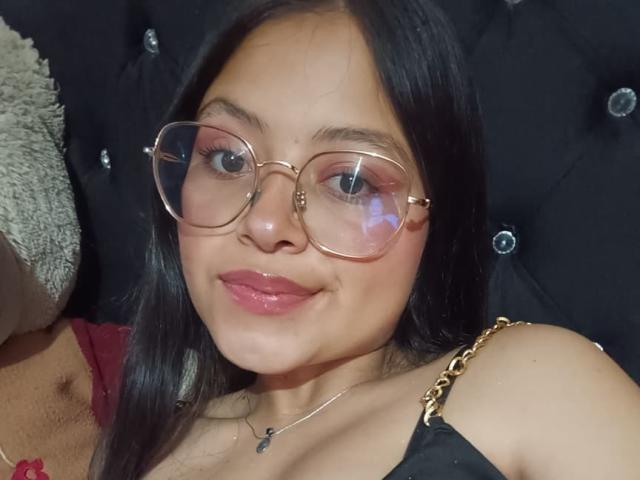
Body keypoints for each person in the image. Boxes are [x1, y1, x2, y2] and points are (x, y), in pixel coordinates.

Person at [91, 0, 640, 478]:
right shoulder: (141, 447)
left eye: (350, 182)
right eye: (228, 159)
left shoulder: (533, 387)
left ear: (435, 217)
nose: (266, 224)